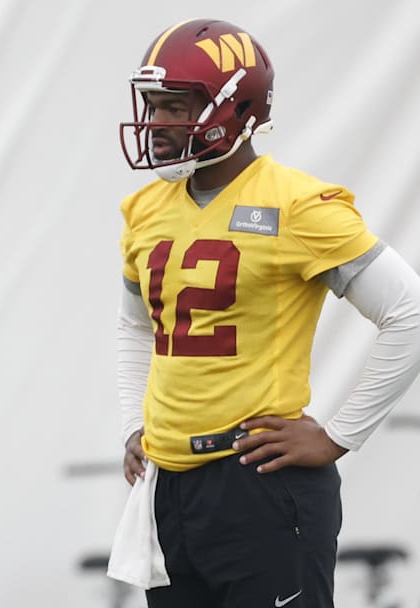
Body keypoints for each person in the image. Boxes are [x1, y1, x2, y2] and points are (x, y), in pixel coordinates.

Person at [111, 18, 420, 607]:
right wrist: (134, 422)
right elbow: (135, 326)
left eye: (175, 107)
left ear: (237, 109)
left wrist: (336, 437)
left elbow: (410, 313)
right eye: (154, 106)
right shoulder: (145, 208)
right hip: (168, 487)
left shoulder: (299, 205)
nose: (157, 125)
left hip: (258, 484)